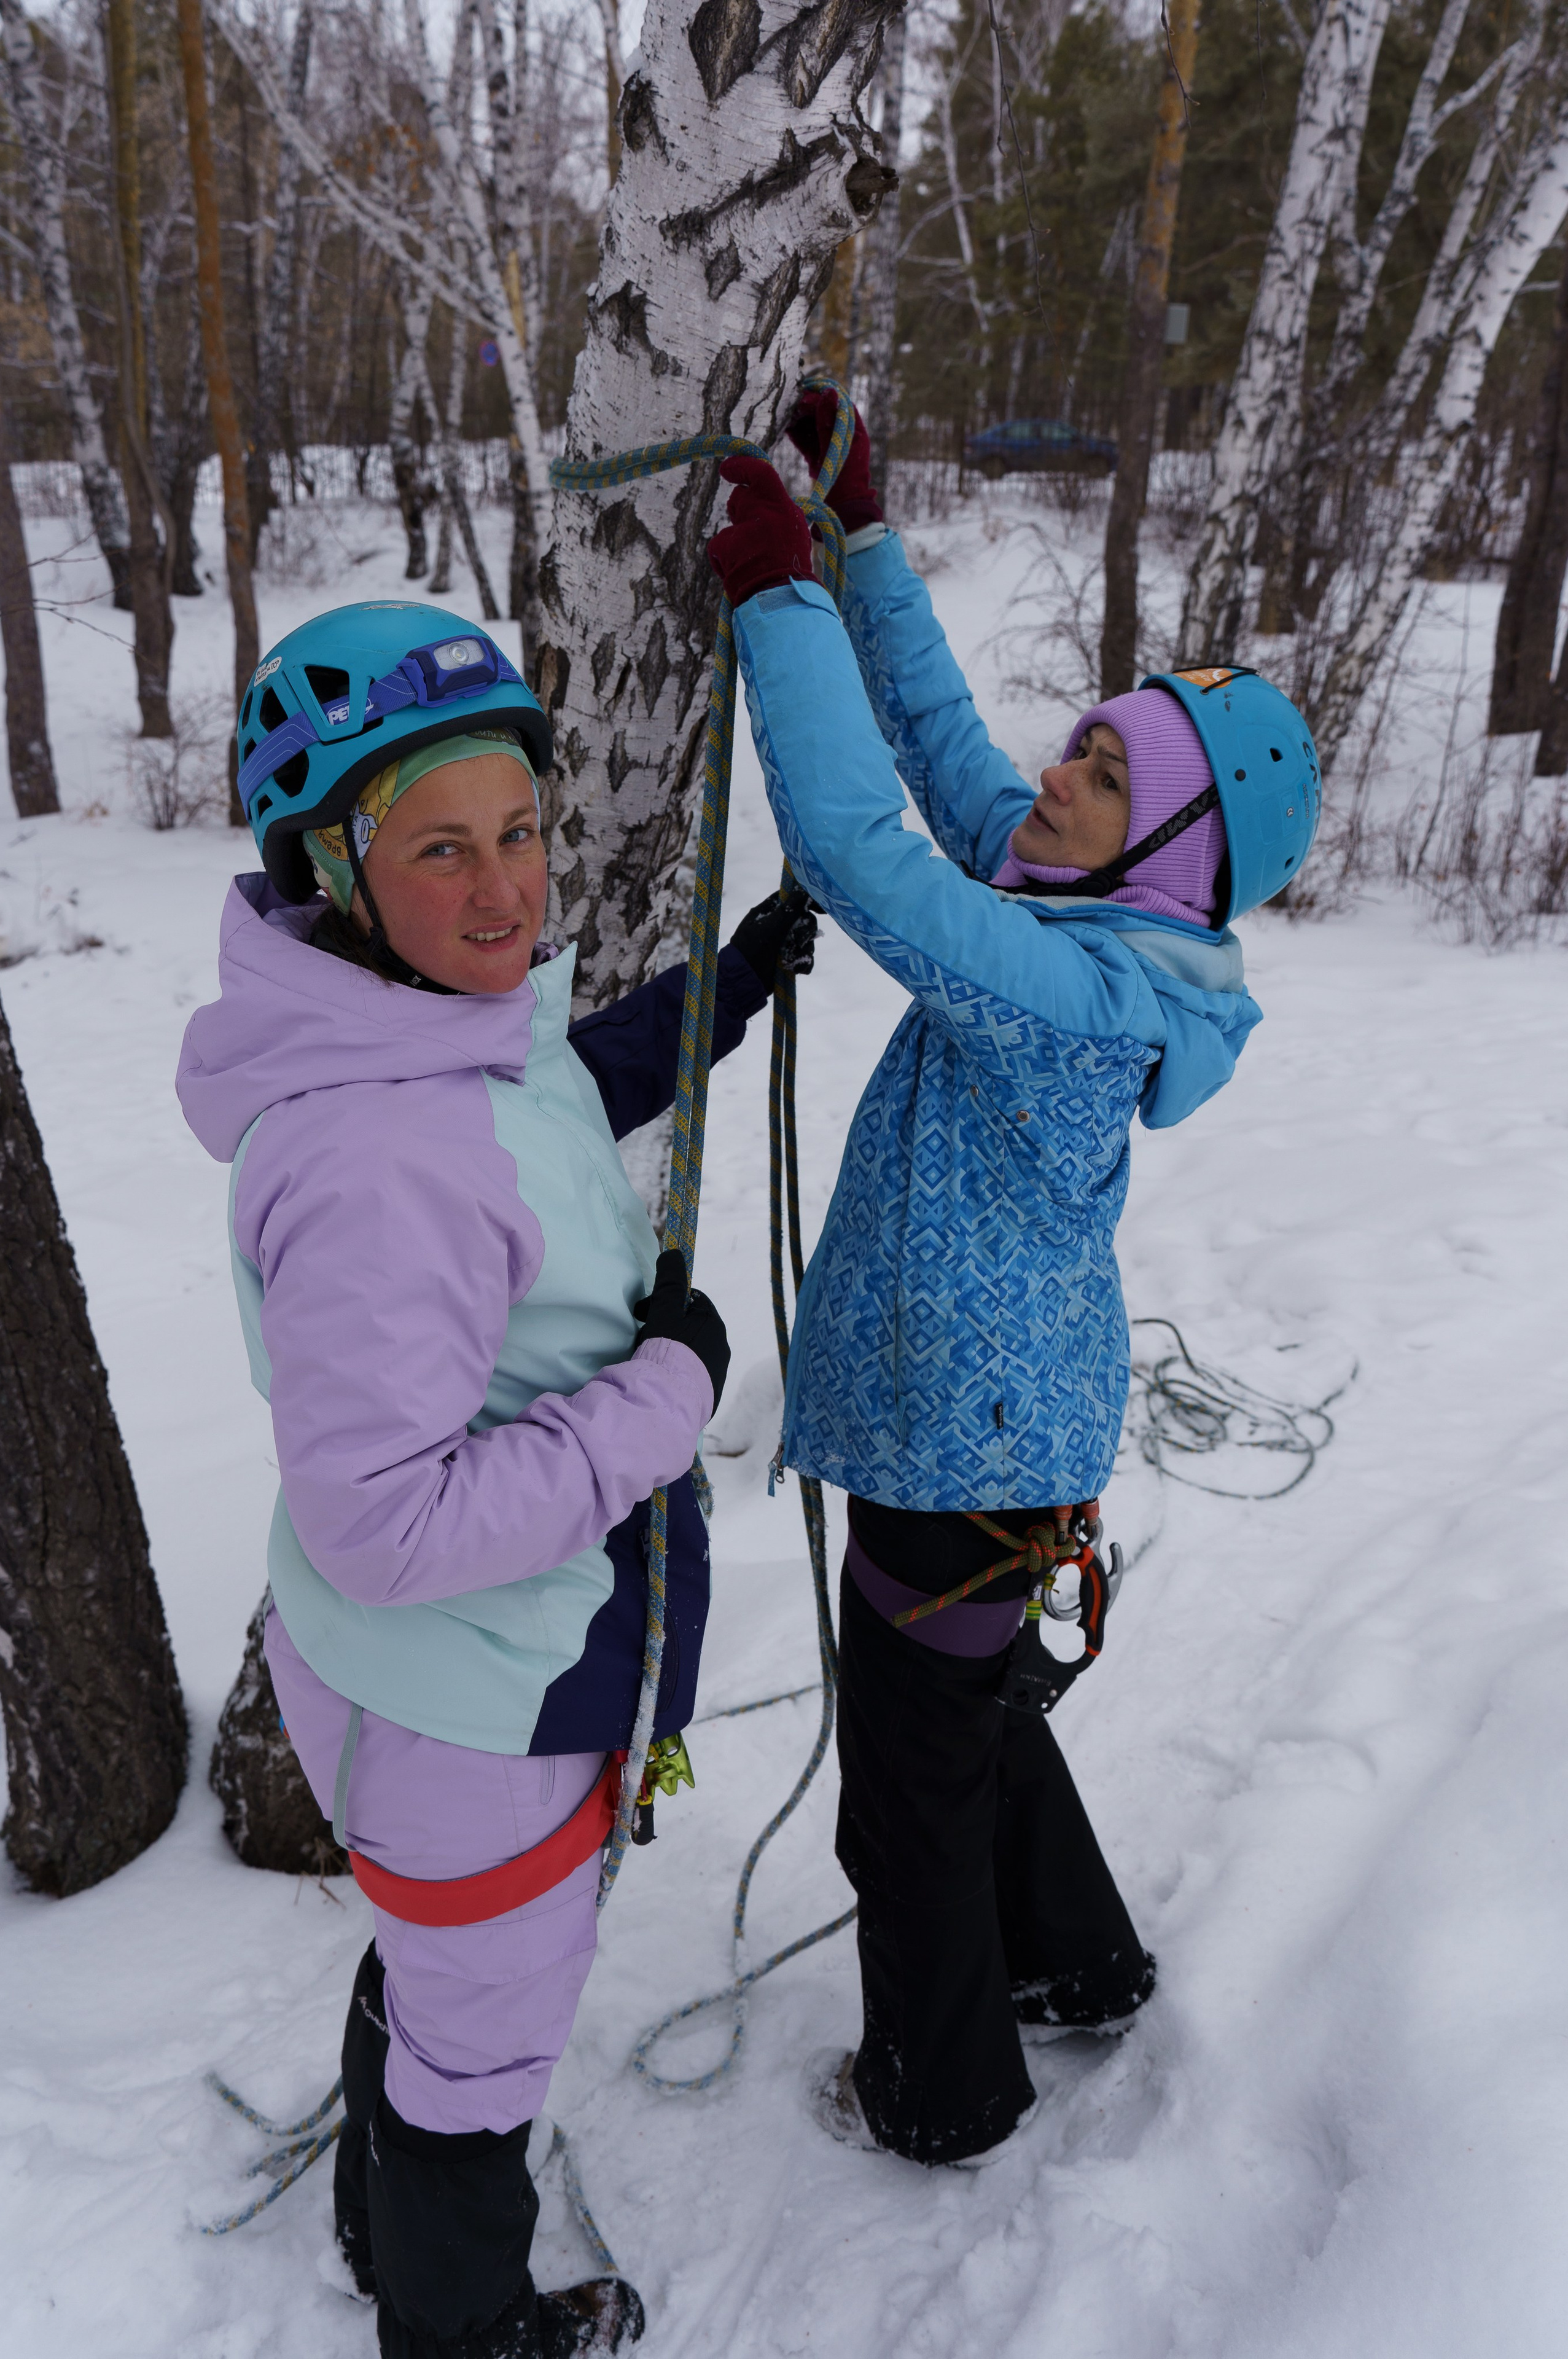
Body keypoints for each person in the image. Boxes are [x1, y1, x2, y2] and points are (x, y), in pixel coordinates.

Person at [176, 601, 816, 2357]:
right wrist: (669, 1389)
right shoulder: (380, 1158)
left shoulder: (414, 1030)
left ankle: (381, 2236)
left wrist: (714, 1001)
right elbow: (390, 1525)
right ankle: (458, 2328)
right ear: (334, 868)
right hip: (482, 1699)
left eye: (520, 830)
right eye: (441, 849)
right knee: (480, 2058)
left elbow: (541, 1096)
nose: (506, 891)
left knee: (435, 1975)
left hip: (442, 1685)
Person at [704, 400, 1320, 2169]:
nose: (1061, 779)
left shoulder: (1079, 1000)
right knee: (962, 1726)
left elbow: (865, 857)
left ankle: (944, 2096)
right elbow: (947, 755)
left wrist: (777, 598)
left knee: (908, 1794)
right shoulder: (1087, 910)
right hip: (990, 1436)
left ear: (1173, 849)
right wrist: (866, 548)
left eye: (1108, 778)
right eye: (1086, 745)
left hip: (957, 1457)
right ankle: (1078, 1962)